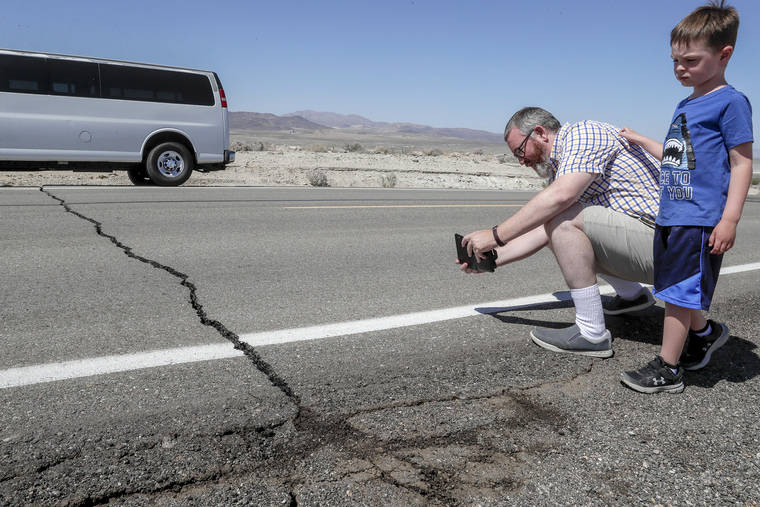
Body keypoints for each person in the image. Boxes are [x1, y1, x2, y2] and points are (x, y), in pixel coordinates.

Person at [618, 1, 753, 394]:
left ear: (724, 55)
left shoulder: (731, 102)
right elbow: (678, 157)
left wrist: (729, 219)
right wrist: (642, 140)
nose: (680, 68)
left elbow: (742, 163)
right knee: (679, 285)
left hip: (700, 217)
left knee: (678, 292)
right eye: (675, 60)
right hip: (673, 213)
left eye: (690, 60)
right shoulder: (686, 103)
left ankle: (669, 367)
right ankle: (705, 334)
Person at [460, 106, 661, 358]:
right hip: (650, 245)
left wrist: (495, 235)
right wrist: (491, 259)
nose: (522, 162)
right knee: (560, 224)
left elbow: (560, 200)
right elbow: (543, 231)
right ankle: (633, 296)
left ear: (540, 133)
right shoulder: (561, 167)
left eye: (520, 151)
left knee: (563, 218)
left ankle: (591, 333)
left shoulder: (584, 133)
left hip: (668, 245)